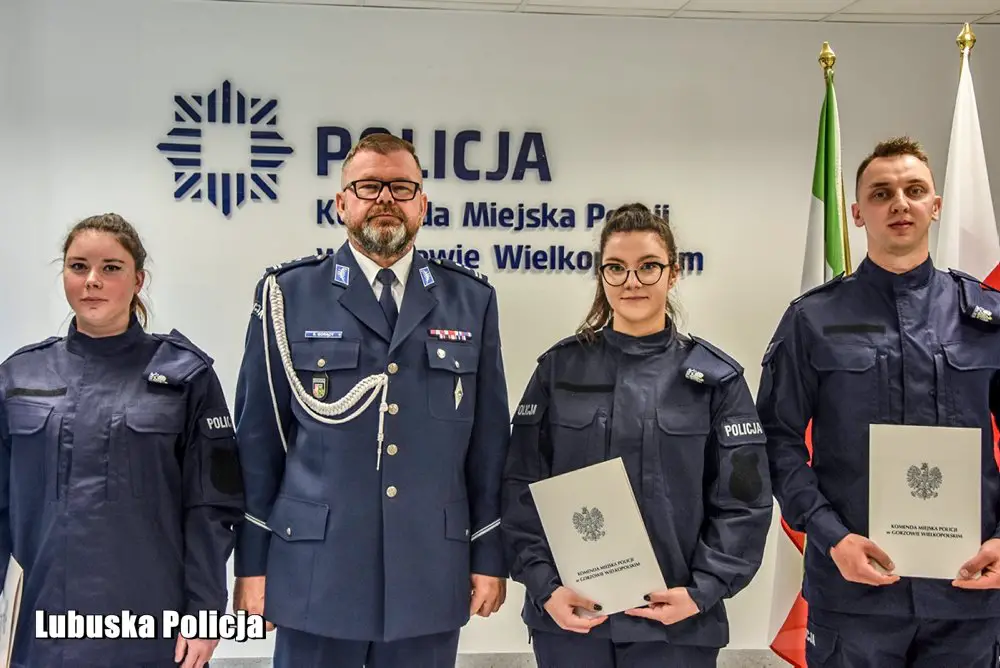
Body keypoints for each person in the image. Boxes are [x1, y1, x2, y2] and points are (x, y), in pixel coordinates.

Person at [231, 132, 511, 667]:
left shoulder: (470, 300)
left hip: (429, 570)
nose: (385, 198)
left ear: (423, 204)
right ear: (341, 203)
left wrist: (489, 552)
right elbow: (259, 441)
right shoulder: (288, 295)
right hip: (314, 569)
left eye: (401, 187)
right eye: (368, 186)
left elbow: (489, 444)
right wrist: (252, 562)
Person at [757, 136, 1000, 667]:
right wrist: (831, 537)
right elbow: (775, 441)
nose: (900, 204)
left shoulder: (987, 319)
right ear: (857, 213)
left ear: (936, 206)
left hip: (969, 592)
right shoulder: (813, 319)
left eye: (915, 190)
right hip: (853, 593)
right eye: (882, 193)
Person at [501, 203, 773, 668]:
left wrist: (702, 590)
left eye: (648, 266)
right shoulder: (558, 371)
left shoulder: (715, 380)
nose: (632, 281)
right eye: (616, 267)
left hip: (676, 625)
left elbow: (744, 501)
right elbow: (520, 487)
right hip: (574, 619)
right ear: (601, 275)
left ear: (674, 272)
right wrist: (545, 587)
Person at [0, 213, 245, 668]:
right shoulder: (19, 376)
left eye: (110, 267)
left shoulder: (186, 376)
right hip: (44, 625)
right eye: (78, 267)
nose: (92, 280)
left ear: (138, 280)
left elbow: (211, 510)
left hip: (152, 626)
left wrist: (206, 613)